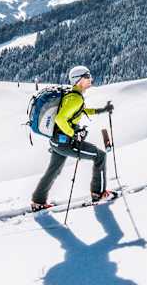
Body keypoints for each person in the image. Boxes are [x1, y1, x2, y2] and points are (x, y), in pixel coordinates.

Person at [31, 65, 115, 211]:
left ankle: (38, 201)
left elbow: (80, 111)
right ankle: (99, 193)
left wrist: (102, 110)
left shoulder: (73, 95)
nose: (90, 79)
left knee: (54, 170)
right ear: (79, 80)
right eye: (87, 76)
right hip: (66, 142)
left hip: (56, 141)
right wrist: (74, 134)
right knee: (100, 156)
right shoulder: (75, 98)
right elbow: (60, 119)